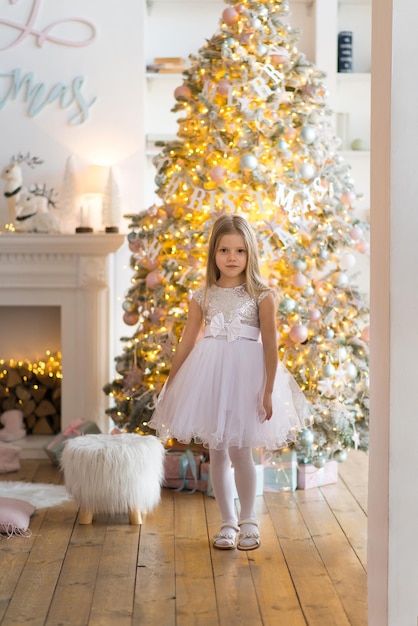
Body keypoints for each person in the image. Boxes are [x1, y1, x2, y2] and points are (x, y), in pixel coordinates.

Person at [149, 214, 310, 551]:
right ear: (214, 253)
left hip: (247, 379)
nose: (232, 257)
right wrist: (171, 385)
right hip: (210, 378)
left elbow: (270, 345)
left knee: (242, 452)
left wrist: (267, 391)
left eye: (239, 250)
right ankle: (227, 523)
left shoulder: (261, 296)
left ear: (250, 254)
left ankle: (249, 520)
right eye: (224, 250)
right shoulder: (201, 295)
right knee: (217, 454)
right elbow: (186, 343)